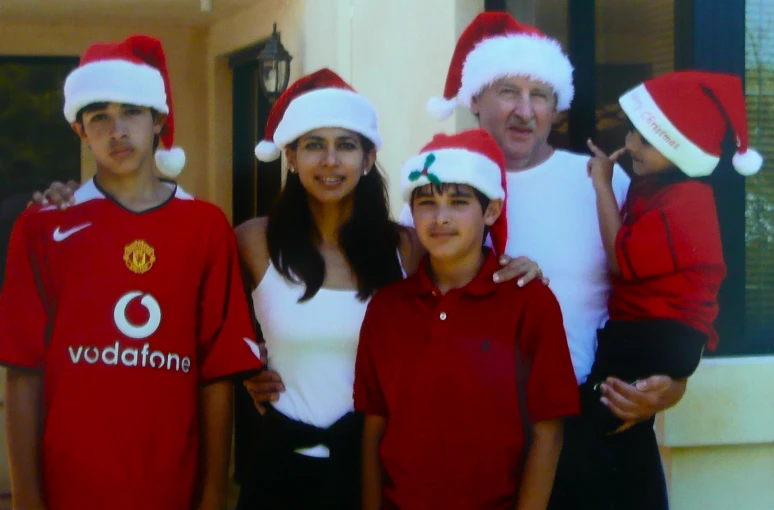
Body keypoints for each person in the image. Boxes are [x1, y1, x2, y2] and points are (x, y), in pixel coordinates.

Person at [29, 67, 542, 509]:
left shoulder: (405, 247)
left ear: (368, 159)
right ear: (290, 157)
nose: (330, 161)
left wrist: (515, 264)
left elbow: (464, 286)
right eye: (313, 145)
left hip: (376, 470)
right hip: (280, 469)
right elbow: (198, 322)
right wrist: (85, 198)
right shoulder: (252, 242)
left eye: (346, 145)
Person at [414, 11, 692, 510]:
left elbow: (675, 290)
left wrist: (674, 383)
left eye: (539, 94)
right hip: (485, 434)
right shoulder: (437, 197)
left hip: (601, 429)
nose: (524, 110)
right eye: (507, 91)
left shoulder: (603, 184)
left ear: (556, 107)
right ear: (475, 98)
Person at [0, 34, 263, 510]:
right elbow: (21, 373)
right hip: (68, 488)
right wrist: (26, 498)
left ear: (158, 119)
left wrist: (213, 494)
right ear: (80, 129)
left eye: (132, 111)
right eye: (98, 115)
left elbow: (217, 376)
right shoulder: (43, 227)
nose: (116, 129)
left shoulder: (205, 226)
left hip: (170, 488)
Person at [356, 129, 580, 510]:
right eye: (426, 202)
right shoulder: (387, 308)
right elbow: (375, 424)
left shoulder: (530, 303)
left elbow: (548, 430)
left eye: (458, 202)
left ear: (491, 210)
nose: (440, 218)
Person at [579, 71, 759, 501]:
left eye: (648, 139)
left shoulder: (686, 201)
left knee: (591, 419)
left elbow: (622, 261)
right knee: (620, 433)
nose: (633, 146)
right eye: (633, 133)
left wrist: (602, 183)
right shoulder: (658, 187)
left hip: (662, 334)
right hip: (656, 333)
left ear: (680, 148)